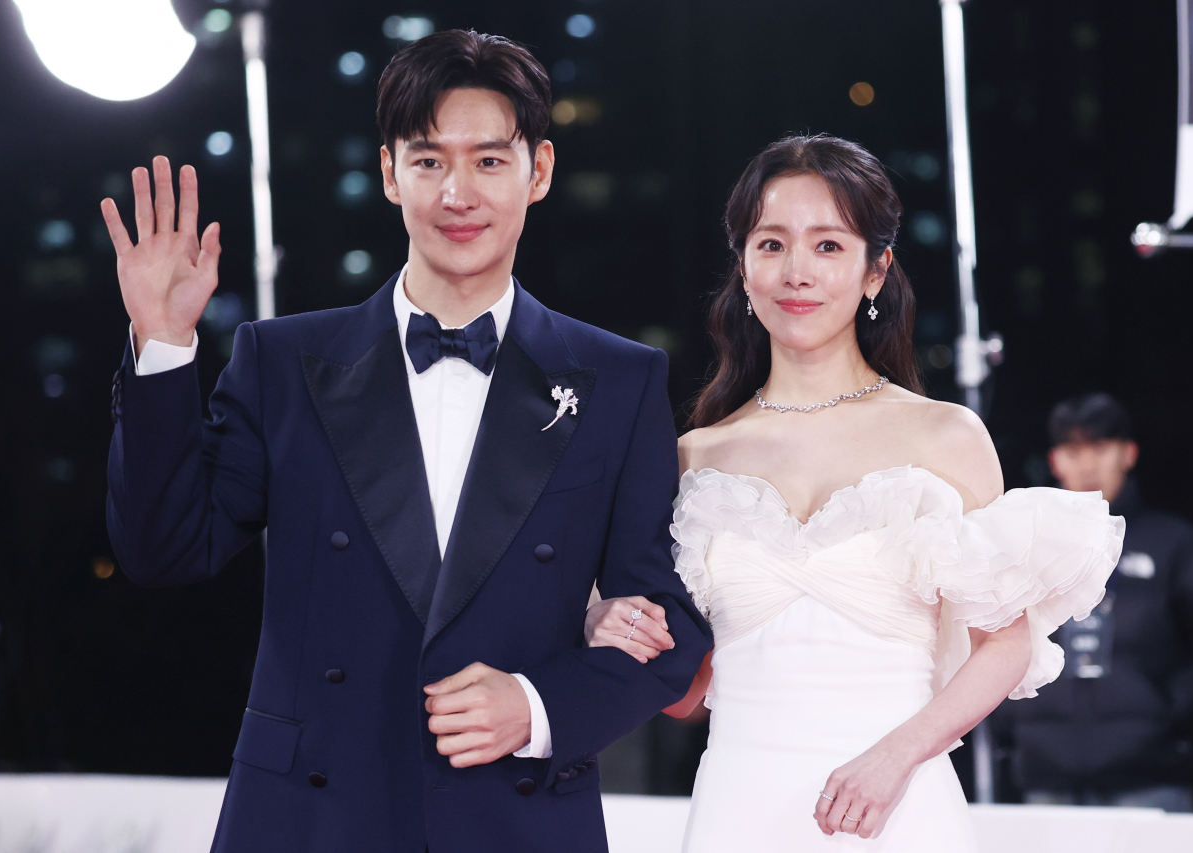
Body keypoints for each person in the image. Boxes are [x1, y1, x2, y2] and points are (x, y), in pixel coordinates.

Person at [100, 30, 711, 853]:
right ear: (390, 174)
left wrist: (535, 706)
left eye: (490, 161)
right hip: (312, 818)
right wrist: (165, 345)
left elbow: (668, 622)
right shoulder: (282, 361)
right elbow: (163, 549)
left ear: (541, 171)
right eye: (429, 161)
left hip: (517, 810)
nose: (458, 192)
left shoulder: (620, 377)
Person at [585, 135, 1124, 851]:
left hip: (896, 804)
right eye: (771, 244)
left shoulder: (944, 435)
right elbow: (689, 692)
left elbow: (1006, 643)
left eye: (829, 246)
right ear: (743, 267)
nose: (796, 271)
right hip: (739, 807)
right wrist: (610, 627)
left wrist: (896, 756)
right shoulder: (695, 456)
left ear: (877, 270)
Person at [994, 393, 1193, 812]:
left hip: (1148, 779)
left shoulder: (1173, 545)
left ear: (1127, 454)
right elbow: (984, 633)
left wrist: (1168, 705)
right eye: (1074, 450)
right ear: (1056, 460)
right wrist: (1013, 718)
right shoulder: (1025, 547)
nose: (1087, 464)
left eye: (1100, 448)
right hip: (1045, 776)